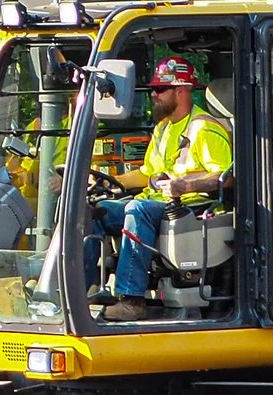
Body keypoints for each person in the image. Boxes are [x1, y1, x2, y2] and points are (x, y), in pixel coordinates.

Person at [96, 57, 232, 321]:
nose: (153, 96)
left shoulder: (203, 128)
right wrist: (106, 181)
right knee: (95, 210)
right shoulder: (162, 129)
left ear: (181, 90)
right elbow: (146, 174)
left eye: (159, 90)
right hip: (158, 201)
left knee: (139, 209)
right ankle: (87, 289)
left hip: (190, 206)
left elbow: (227, 177)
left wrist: (186, 185)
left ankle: (131, 300)